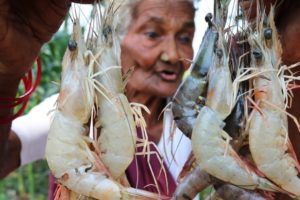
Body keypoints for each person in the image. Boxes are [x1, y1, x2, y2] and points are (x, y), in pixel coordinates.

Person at [0, 0, 195, 199]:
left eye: (185, 38)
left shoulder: (194, 122)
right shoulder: (69, 111)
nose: (172, 55)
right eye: (152, 34)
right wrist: (6, 73)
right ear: (119, 40)